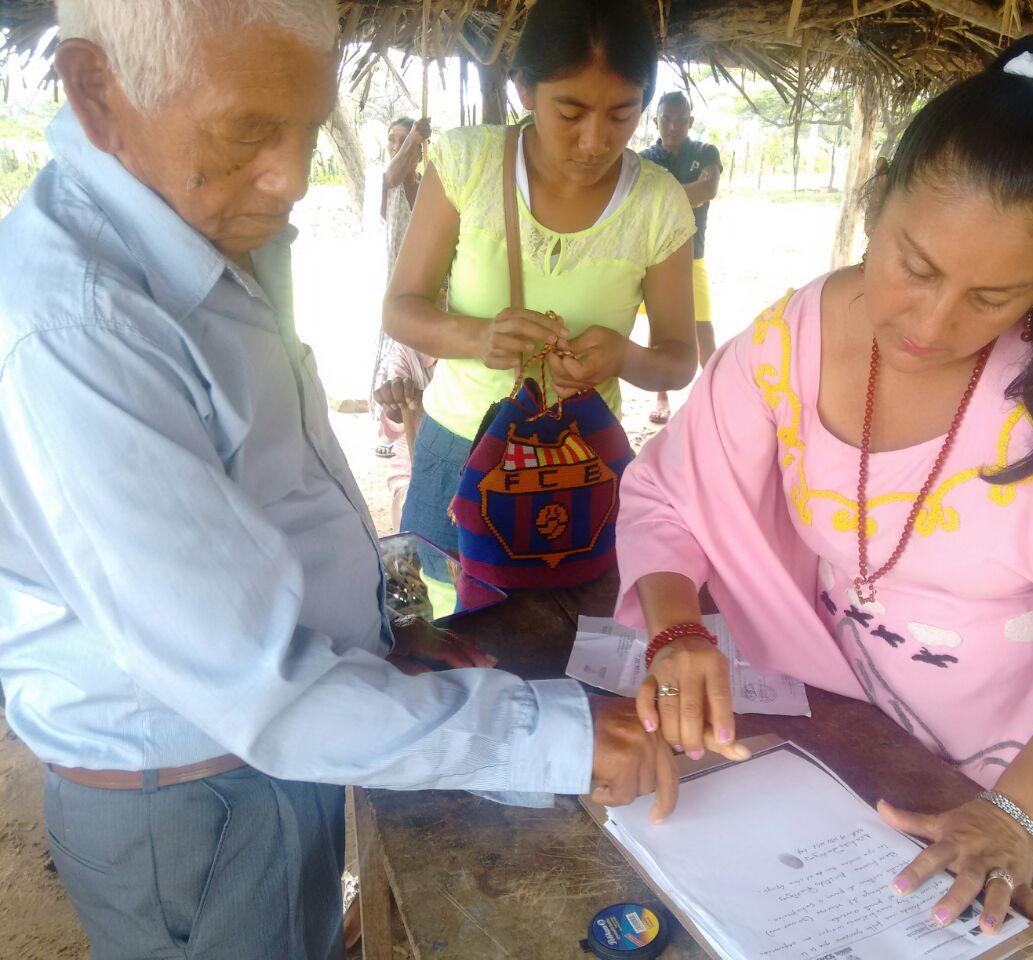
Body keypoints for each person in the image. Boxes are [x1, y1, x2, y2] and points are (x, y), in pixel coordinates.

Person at [0, 3, 693, 957]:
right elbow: (258, 688)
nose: (292, 178)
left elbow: (266, 498)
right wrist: (563, 740)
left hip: (262, 758)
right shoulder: (79, 331)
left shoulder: (191, 233)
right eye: (250, 131)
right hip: (200, 790)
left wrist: (380, 641)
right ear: (95, 90)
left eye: (310, 129)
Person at [614, 37, 1033, 960]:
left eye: (995, 297)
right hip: (851, 759)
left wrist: (1017, 814)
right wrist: (676, 630)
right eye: (917, 266)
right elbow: (671, 494)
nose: (933, 324)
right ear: (877, 199)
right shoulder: (791, 342)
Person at [384, 0, 698, 552]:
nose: (595, 142)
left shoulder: (659, 204)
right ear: (525, 89)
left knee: (570, 605)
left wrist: (623, 357)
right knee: (445, 603)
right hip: (457, 450)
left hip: (580, 459)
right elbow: (400, 310)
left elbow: (678, 359)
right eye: (571, 113)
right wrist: (479, 337)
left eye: (622, 114)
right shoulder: (467, 165)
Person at [640, 91, 722, 425]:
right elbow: (640, 201)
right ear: (656, 121)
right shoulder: (643, 159)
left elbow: (708, 190)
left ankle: (718, 393)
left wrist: (662, 195)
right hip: (651, 256)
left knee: (703, 329)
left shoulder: (706, 152)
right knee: (658, 328)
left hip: (692, 256)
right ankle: (661, 396)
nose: (673, 126)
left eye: (680, 119)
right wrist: (688, 193)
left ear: (690, 121)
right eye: (666, 119)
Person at [373, 116, 431, 458]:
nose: (397, 146)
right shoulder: (383, 185)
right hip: (395, 291)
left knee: (422, 366)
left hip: (428, 289)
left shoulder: (428, 187)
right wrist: (414, 139)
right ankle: (391, 431)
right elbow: (391, 177)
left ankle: (418, 432)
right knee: (394, 366)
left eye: (404, 140)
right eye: (392, 140)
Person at [374, 340, 436, 530]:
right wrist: (395, 402)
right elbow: (397, 412)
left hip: (474, 470)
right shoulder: (408, 350)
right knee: (412, 514)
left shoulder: (478, 352)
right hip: (411, 471)